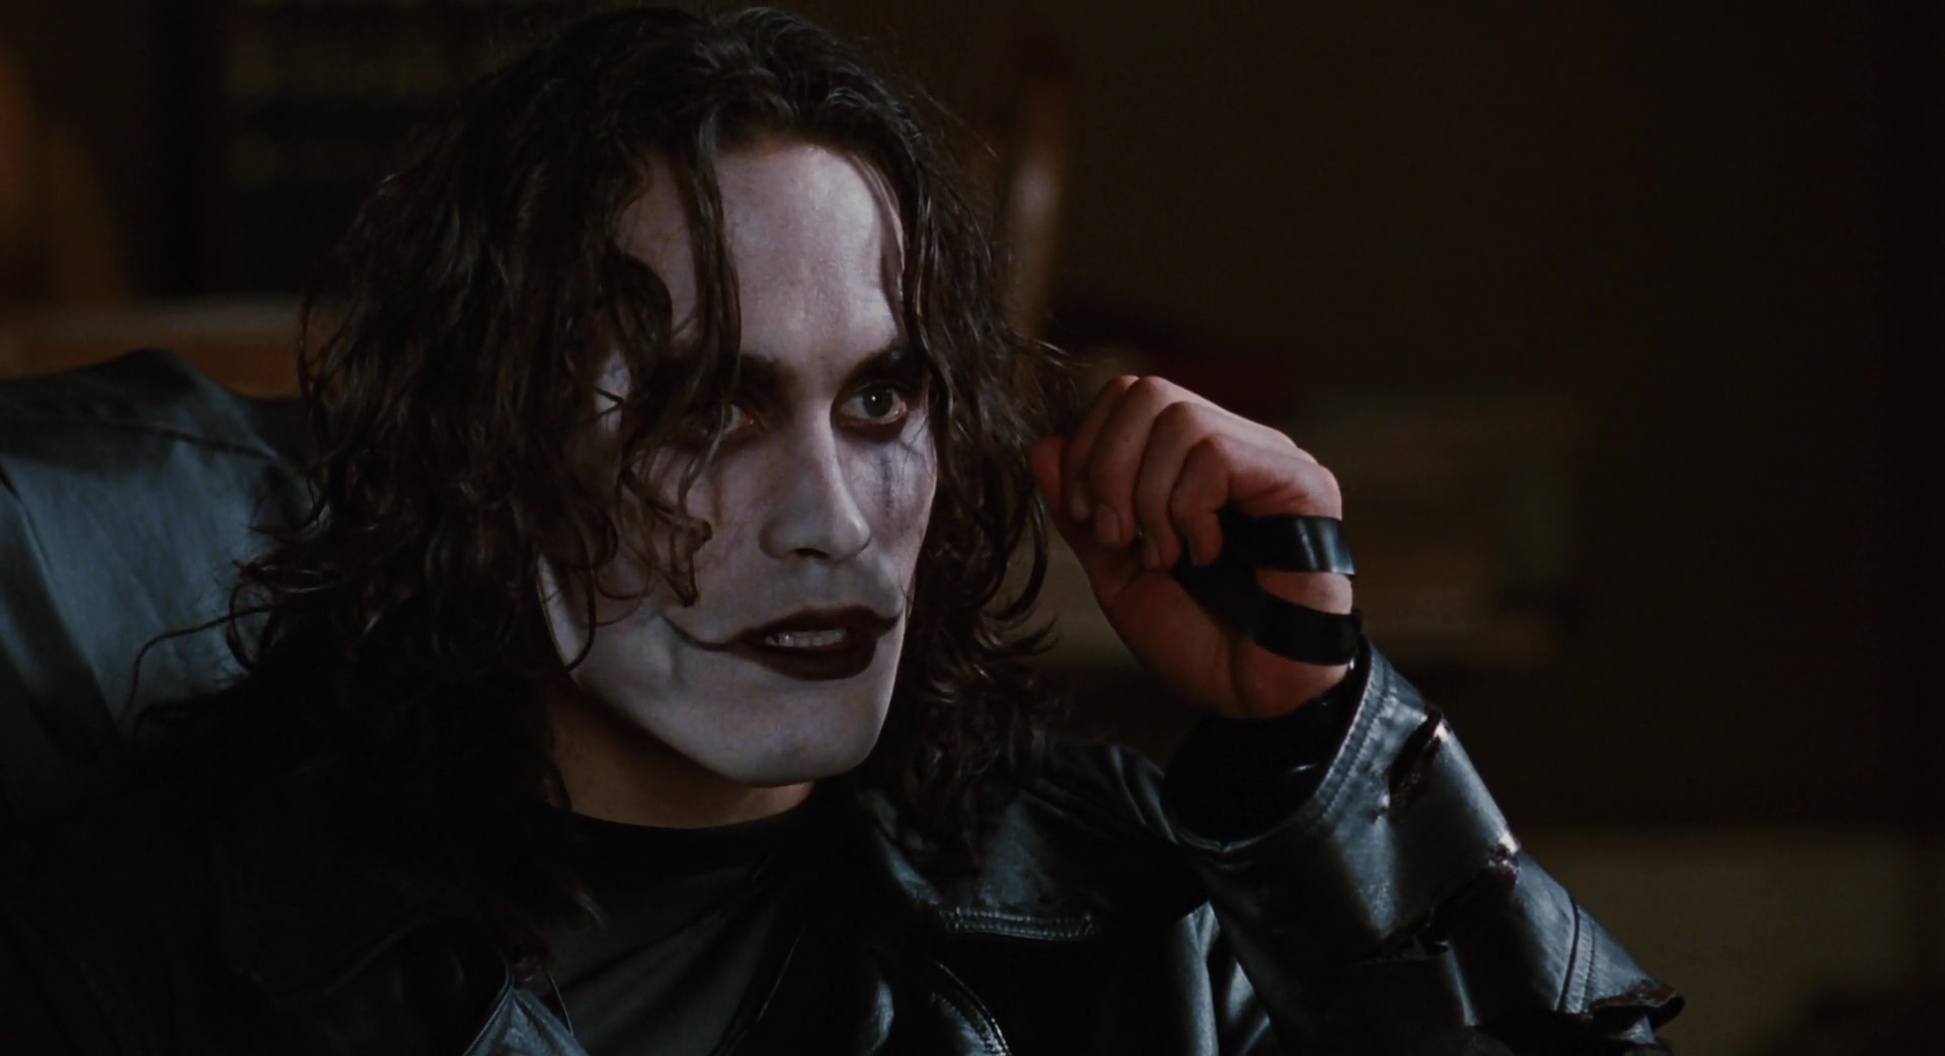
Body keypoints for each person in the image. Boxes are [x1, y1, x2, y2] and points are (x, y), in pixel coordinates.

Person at [0, 6, 1680, 1053]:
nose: (828, 523)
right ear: (478, 452)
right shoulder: (183, 929)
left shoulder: (1122, 912)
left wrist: (1322, 759)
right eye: (703, 412)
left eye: (879, 400)